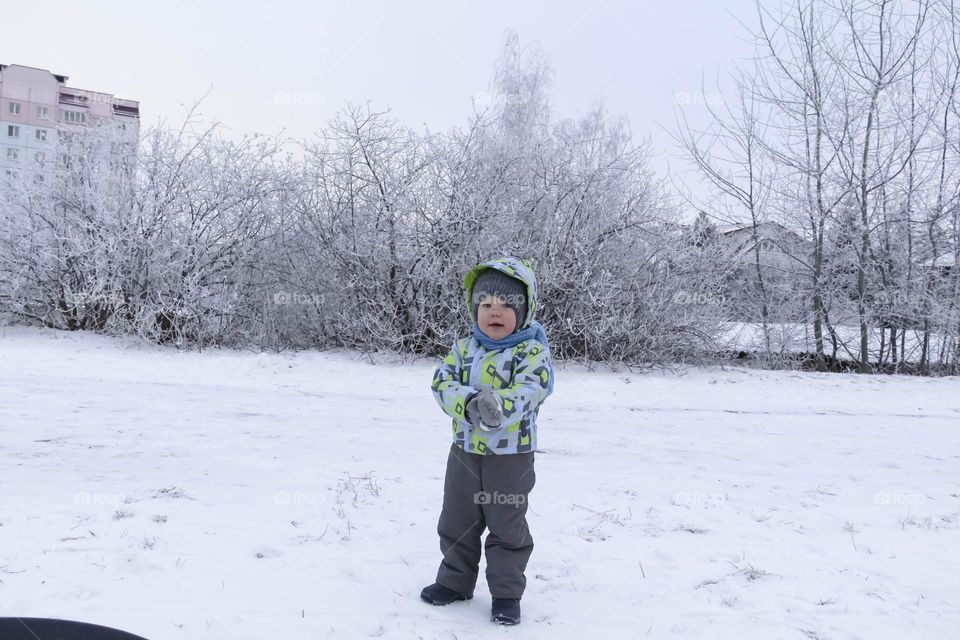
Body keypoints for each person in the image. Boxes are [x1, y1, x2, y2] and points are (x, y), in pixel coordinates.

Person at [420, 256, 555, 626]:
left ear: (524, 310)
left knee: (506, 524)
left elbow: (532, 389)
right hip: (464, 454)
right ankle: (455, 582)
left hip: (510, 458)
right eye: (486, 304)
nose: (495, 312)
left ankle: (506, 593)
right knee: (456, 519)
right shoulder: (464, 349)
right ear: (474, 308)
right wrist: (468, 402)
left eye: (506, 305)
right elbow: (441, 383)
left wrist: (497, 405)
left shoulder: (531, 351)